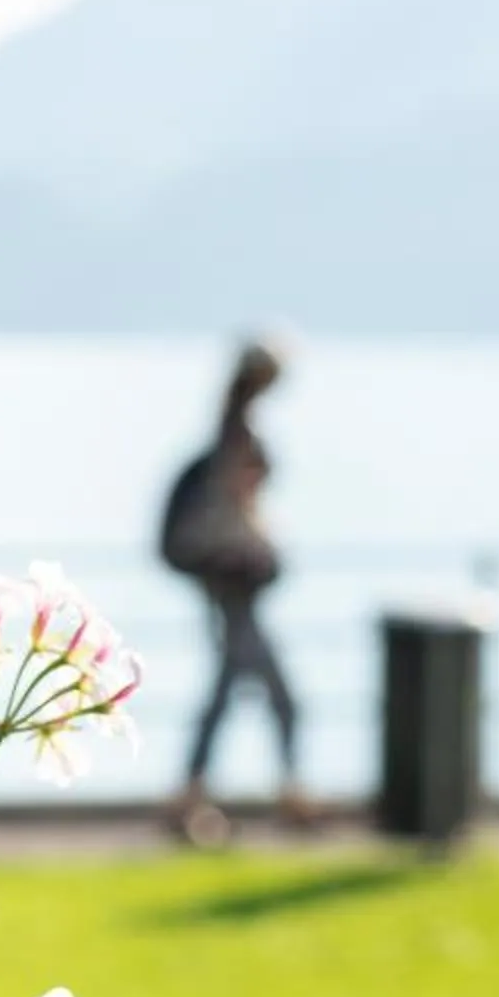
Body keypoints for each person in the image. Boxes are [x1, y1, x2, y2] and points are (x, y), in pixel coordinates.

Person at [156, 339, 310, 847]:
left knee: (227, 690)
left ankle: (193, 794)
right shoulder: (238, 438)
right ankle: (281, 793)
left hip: (227, 583)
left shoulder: (231, 426)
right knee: (277, 696)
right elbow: (239, 509)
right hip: (233, 586)